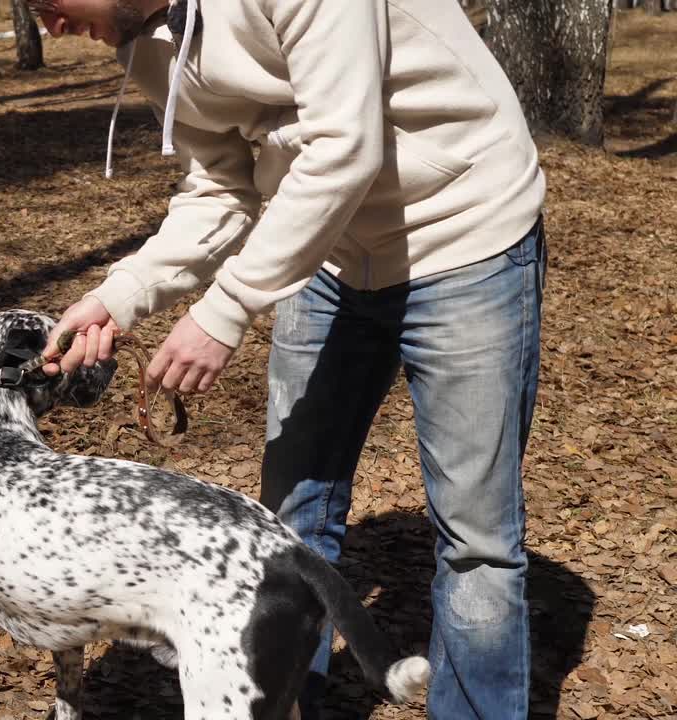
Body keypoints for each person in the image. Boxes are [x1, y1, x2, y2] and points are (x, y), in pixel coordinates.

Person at [32, 0, 547, 717]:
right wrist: (123, 295)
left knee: (477, 546)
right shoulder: (144, 39)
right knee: (289, 519)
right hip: (327, 254)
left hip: (463, 232)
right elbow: (220, 184)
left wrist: (225, 308)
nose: (48, 28)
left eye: (45, 5)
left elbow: (345, 149)